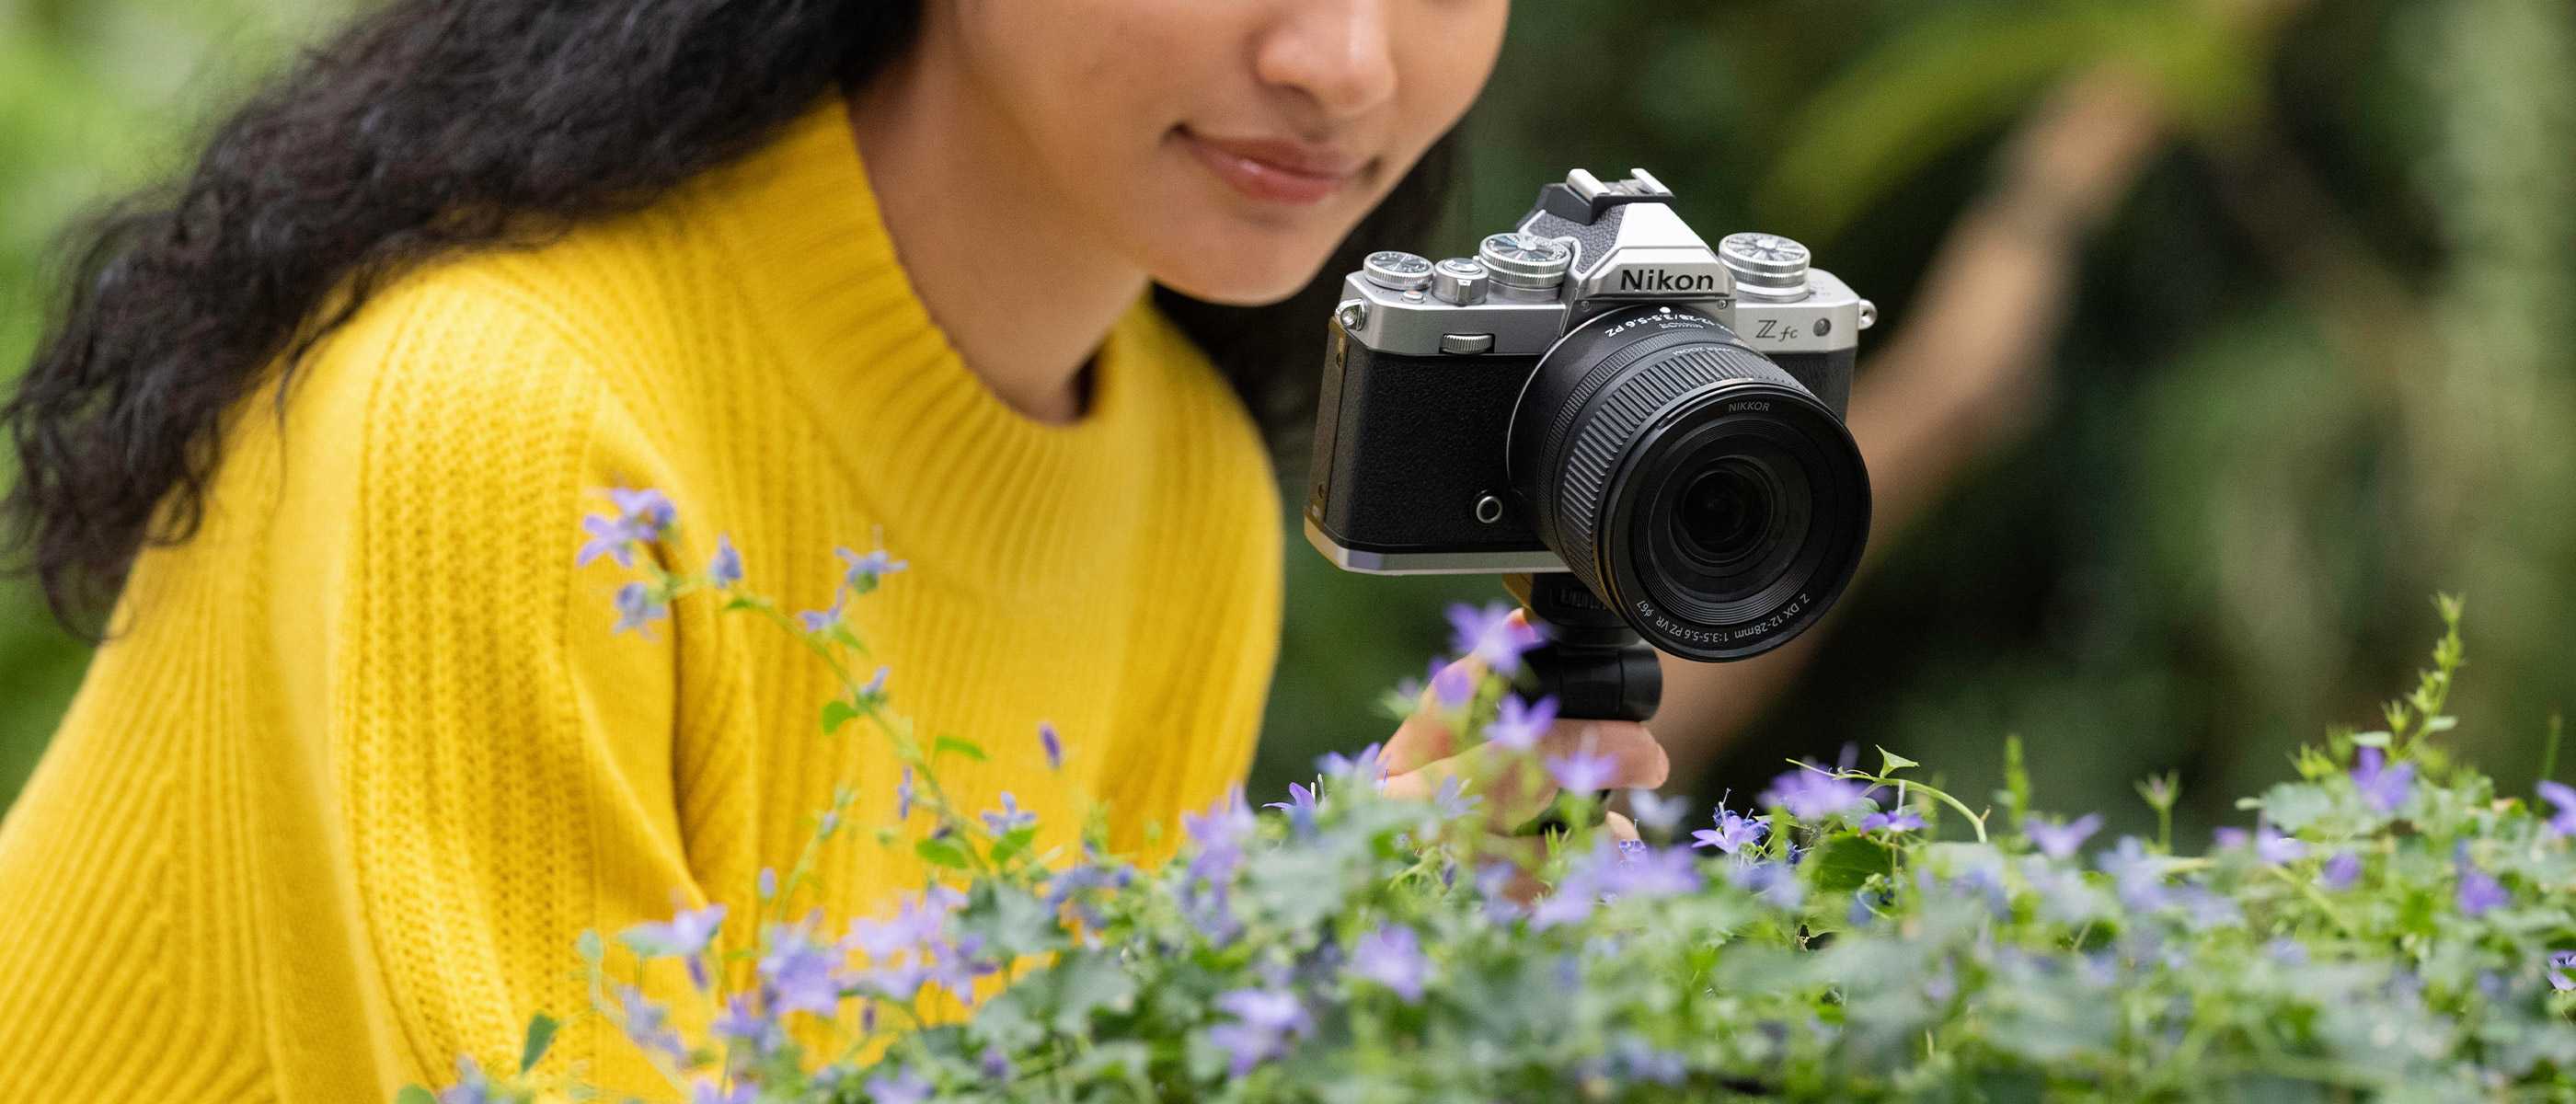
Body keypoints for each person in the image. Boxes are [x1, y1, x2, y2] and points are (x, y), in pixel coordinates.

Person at [0, 1, 1662, 1098]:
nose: (1344, 61)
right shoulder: (499, 418)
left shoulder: (1183, 488)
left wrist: (1361, 948)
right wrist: (1303, 949)